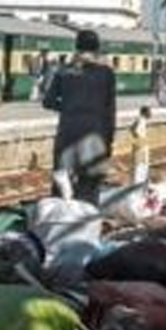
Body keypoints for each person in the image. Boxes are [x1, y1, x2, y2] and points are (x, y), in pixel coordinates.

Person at [42, 29, 116, 205]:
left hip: (68, 131)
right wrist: (109, 139)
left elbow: (48, 101)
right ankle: (85, 223)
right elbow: (110, 110)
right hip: (95, 133)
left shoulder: (64, 72)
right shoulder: (106, 73)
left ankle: (59, 221)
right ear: (97, 49)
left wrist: (68, 107)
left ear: (77, 47)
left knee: (61, 181)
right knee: (90, 184)